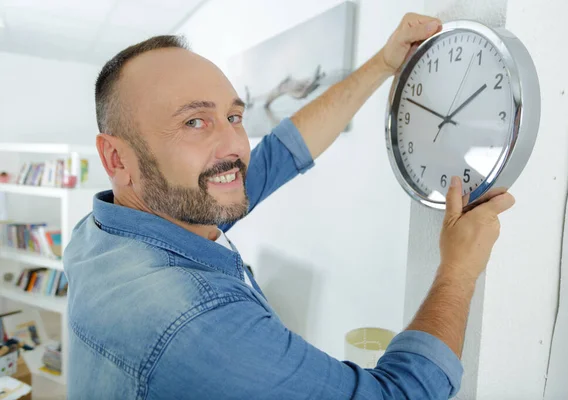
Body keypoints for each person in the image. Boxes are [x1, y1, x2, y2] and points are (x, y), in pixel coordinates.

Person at [64, 13, 514, 399]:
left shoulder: (103, 231)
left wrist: (383, 64)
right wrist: (458, 271)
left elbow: (281, 152)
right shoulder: (198, 324)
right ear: (117, 158)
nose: (235, 145)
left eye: (234, 117)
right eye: (194, 121)